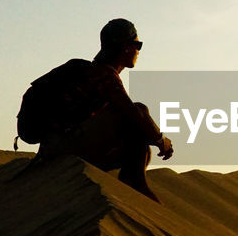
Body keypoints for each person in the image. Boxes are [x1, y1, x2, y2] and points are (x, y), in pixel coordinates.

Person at [36, 19, 174, 201]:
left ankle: (134, 182)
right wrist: (161, 140)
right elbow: (134, 113)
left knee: (138, 135)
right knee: (138, 115)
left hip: (60, 147)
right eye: (137, 45)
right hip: (62, 151)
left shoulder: (96, 73)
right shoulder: (103, 75)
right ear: (126, 47)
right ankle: (136, 185)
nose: (138, 51)